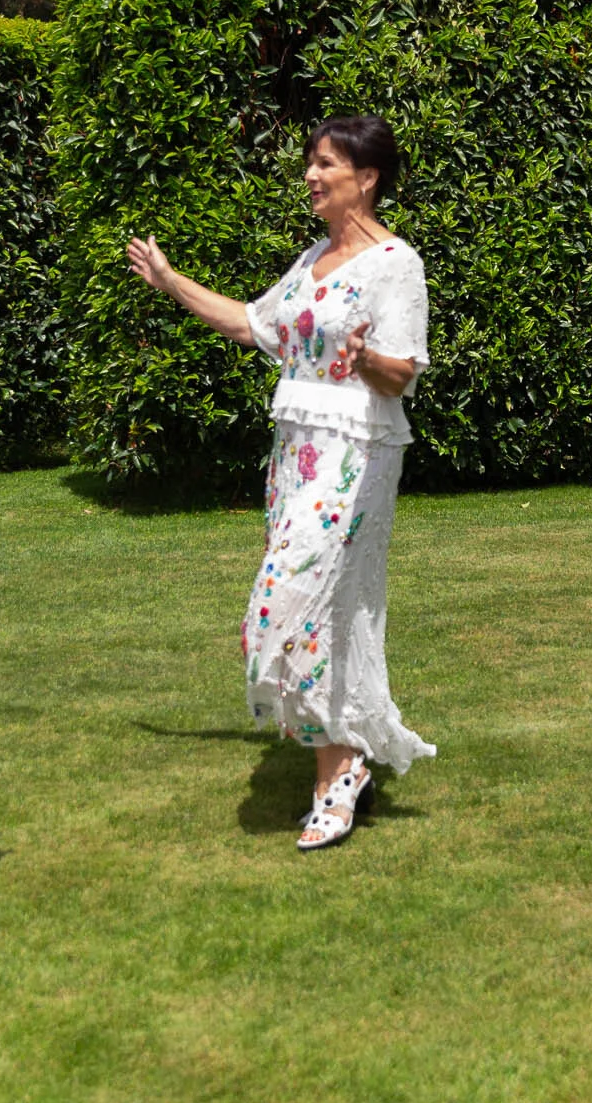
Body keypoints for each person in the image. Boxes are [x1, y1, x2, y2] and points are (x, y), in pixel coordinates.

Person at [126, 115, 435, 850]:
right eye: (310, 163)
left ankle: (342, 769)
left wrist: (362, 360)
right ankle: (339, 770)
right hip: (295, 457)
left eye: (325, 164)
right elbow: (252, 325)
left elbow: (403, 372)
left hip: (356, 455)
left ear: (367, 177)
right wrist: (171, 283)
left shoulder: (396, 263)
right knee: (315, 615)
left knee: (284, 606)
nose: (311, 175)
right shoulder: (310, 260)